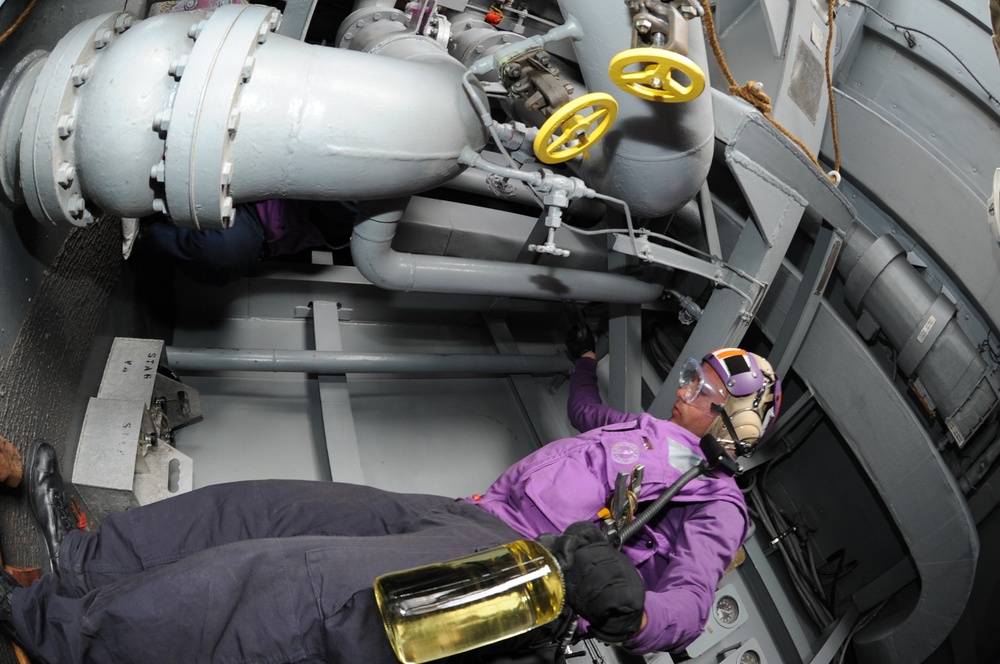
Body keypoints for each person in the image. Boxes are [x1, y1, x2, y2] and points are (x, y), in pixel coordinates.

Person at [0, 334, 780, 663]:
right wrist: (582, 362)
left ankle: (55, 634)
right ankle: (80, 565)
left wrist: (631, 612)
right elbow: (586, 415)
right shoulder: (646, 429)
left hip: (513, 573)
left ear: (737, 424)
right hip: (461, 513)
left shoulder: (714, 503)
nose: (687, 390)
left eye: (707, 392)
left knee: (291, 587)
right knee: (259, 507)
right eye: (694, 378)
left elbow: (688, 603)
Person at [141, 199, 356, 286]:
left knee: (221, 253)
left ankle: (150, 230)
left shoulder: (367, 215)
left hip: (257, 218)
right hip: (247, 149)